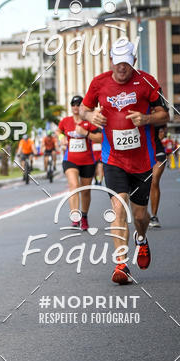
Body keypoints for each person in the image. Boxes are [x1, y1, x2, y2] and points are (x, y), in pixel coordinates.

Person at [80, 39, 168, 285]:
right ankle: (121, 264)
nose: (121, 68)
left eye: (126, 64)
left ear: (134, 62)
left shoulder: (147, 82)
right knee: (118, 208)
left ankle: (141, 239)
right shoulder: (99, 83)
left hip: (142, 161)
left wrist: (146, 118)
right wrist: (91, 115)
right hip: (113, 159)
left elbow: (165, 114)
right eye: (118, 63)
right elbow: (84, 109)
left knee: (140, 216)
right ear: (111, 61)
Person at [58, 96, 100, 230]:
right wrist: (61, 137)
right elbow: (59, 131)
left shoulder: (89, 122)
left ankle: (84, 217)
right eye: (73, 104)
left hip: (88, 161)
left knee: (85, 191)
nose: (76, 107)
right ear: (71, 107)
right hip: (70, 160)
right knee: (74, 185)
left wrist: (86, 133)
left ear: (83, 107)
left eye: (79, 104)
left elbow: (100, 138)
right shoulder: (65, 121)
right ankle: (75, 217)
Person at [148, 126, 168, 229]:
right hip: (140, 153)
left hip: (157, 151)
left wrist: (162, 132)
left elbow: (164, 126)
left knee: (154, 181)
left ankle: (154, 216)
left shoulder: (155, 115)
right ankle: (141, 213)